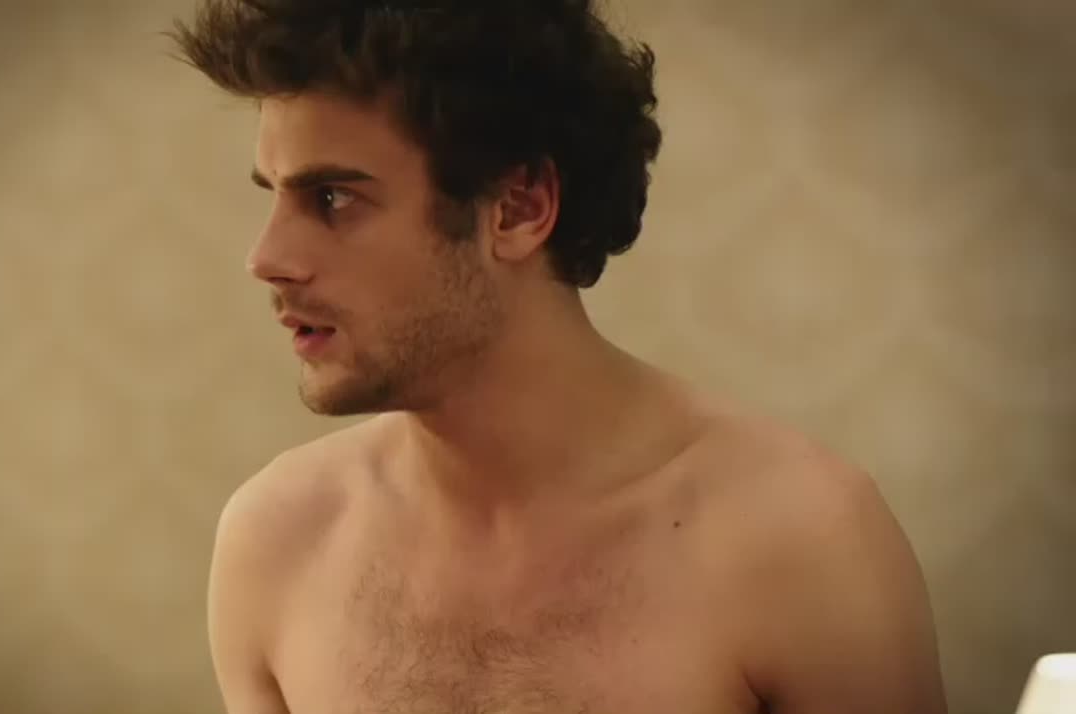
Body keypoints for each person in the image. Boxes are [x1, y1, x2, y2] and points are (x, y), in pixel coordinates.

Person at [170, 1, 948, 712]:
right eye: (272, 195)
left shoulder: (800, 541)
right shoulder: (277, 542)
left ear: (518, 208)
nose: (268, 258)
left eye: (333, 199)